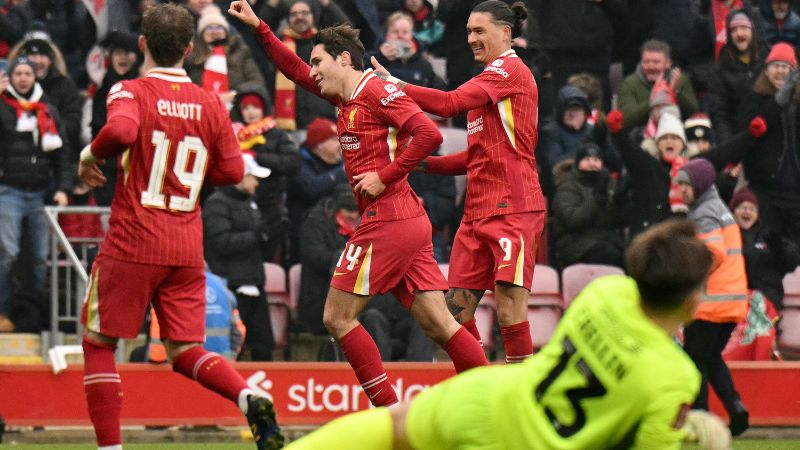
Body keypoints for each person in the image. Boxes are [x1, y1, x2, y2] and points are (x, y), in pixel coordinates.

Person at [230, 0, 488, 406]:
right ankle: (490, 403)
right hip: (405, 219)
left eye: (318, 61)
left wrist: (384, 175)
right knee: (441, 324)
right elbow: (295, 71)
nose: (312, 70)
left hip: (388, 219)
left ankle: (387, 414)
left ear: (345, 58)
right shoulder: (347, 98)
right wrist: (260, 28)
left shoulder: (377, 91)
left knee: (336, 317)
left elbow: (428, 134)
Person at [284, 219, 733, 450]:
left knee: (387, 431)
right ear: (692, 301)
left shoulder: (607, 293)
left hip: (484, 397)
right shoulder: (674, 376)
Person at [76, 4, 283, 449]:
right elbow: (231, 170)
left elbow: (122, 133)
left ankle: (110, 447)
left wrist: (88, 156)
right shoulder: (210, 103)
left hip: (132, 241)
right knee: (184, 349)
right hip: (186, 246)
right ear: (190, 49)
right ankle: (246, 395)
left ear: (143, 45)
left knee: (97, 342)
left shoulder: (128, 91)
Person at [371, 0, 545, 363]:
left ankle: (521, 400)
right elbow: (477, 156)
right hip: (476, 212)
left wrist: (395, 85)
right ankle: (479, 387)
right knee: (455, 314)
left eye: (479, 30)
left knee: (511, 311)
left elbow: (449, 103)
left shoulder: (510, 70)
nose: (471, 38)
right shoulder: (487, 83)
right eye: (468, 31)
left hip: (513, 207)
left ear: (506, 33)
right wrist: (421, 164)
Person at [675, 158, 750, 436]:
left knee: (693, 363)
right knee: (711, 357)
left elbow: (713, 252)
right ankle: (736, 409)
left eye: (686, 185)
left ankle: (701, 423)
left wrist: (690, 274)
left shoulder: (704, 213)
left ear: (700, 185)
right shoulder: (720, 209)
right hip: (731, 301)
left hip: (710, 304)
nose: (682, 190)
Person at [0, 56, 71, 333]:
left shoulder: (48, 110)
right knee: (7, 254)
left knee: (40, 258)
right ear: (11, 77)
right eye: (17, 73)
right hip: (9, 192)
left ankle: (36, 314)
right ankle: (3, 312)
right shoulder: (2, 107)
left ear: (35, 77)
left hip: (40, 193)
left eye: (27, 73)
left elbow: (63, 155)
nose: (22, 78)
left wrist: (63, 189)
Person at [203, 153, 275, 361]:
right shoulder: (217, 204)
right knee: (235, 344)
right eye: (254, 177)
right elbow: (221, 243)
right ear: (241, 177)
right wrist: (257, 235)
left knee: (264, 344)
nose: (257, 183)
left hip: (254, 281)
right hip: (230, 286)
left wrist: (270, 234)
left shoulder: (251, 204)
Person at [230, 87, 301, 263]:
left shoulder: (277, 135)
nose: (251, 112)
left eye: (255, 107)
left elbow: (292, 163)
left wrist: (258, 156)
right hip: (239, 205)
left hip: (270, 205)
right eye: (246, 108)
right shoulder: (233, 134)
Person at [258, 0, 348, 129]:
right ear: (288, 19)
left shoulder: (326, 44)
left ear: (314, 16)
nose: (299, 17)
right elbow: (259, 30)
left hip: (326, 123)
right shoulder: (279, 46)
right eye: (294, 14)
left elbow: (347, 30)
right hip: (291, 126)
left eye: (305, 13)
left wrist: (326, 3)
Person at [550, 143, 625, 269]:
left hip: (606, 240)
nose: (592, 163)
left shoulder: (610, 185)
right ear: (577, 163)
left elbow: (617, 221)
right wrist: (596, 198)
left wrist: (622, 198)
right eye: (587, 159)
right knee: (608, 255)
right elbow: (574, 221)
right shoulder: (567, 186)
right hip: (574, 243)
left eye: (596, 159)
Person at [287, 116, 348, 263]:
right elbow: (312, 188)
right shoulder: (299, 163)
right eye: (334, 140)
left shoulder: (340, 164)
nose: (339, 144)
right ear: (319, 144)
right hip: (305, 234)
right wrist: (340, 174)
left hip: (337, 233)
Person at [729, 187, 800, 311]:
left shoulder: (767, 235)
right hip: (735, 300)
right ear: (733, 212)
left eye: (752, 209)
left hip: (767, 300)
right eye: (742, 207)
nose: (747, 211)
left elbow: (791, 262)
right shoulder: (727, 236)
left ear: (757, 214)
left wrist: (779, 249)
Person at [185, 5, 265, 109]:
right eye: (210, 28)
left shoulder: (240, 51)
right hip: (200, 110)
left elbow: (257, 82)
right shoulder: (191, 56)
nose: (215, 31)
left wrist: (234, 94)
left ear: (226, 31)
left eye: (219, 27)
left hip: (235, 110)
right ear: (202, 33)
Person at [707, 9, 768, 144]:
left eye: (744, 28)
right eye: (734, 30)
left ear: (753, 30)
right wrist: (730, 149)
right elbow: (720, 115)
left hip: (770, 137)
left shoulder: (768, 58)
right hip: (739, 139)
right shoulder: (720, 70)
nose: (739, 33)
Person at [617, 40, 699, 130]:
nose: (651, 67)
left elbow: (694, 114)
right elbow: (626, 119)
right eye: (646, 62)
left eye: (656, 62)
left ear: (668, 63)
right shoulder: (629, 83)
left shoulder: (680, 80)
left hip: (677, 132)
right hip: (641, 134)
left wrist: (676, 94)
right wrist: (654, 99)